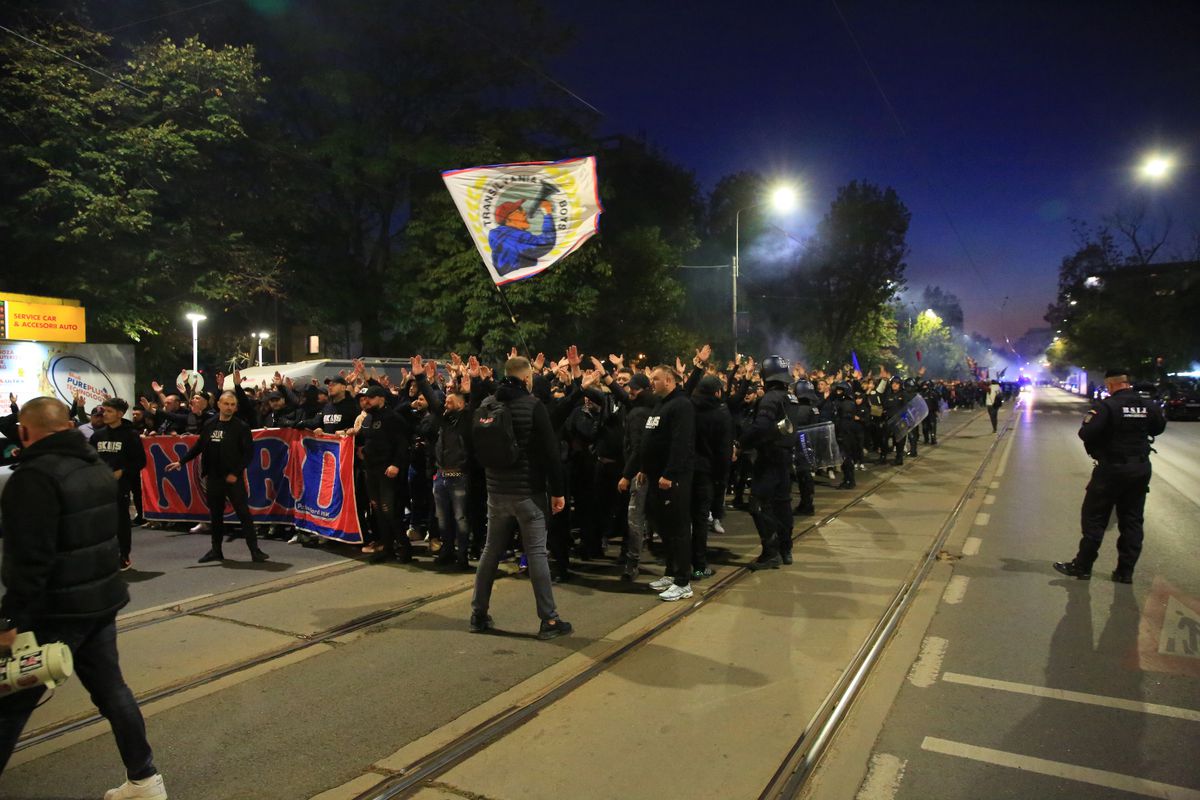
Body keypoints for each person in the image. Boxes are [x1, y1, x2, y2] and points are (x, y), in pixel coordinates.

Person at [0, 397, 167, 798]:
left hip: (56, 609)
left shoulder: (34, 476)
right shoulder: (94, 465)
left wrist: (9, 620)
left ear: (25, 431)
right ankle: (145, 780)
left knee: (10, 705)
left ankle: (145, 780)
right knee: (113, 692)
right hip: (100, 602)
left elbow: (30, 558)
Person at [470, 356, 572, 638]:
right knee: (537, 553)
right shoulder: (533, 405)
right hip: (528, 491)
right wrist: (558, 492)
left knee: (490, 551)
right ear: (527, 378)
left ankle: (478, 613)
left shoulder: (487, 404)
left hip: (496, 491)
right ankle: (549, 621)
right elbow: (552, 453)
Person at [1054, 368, 1166, 583]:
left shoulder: (1108, 406)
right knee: (1132, 520)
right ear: (1127, 383)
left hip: (1112, 470)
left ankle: (1083, 566)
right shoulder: (1146, 405)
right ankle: (1125, 572)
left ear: (1111, 385)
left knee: (1094, 518)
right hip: (1140, 468)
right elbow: (1158, 428)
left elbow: (1085, 433)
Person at [166, 391, 269, 564]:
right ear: (219, 404)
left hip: (232, 479)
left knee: (244, 514)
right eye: (226, 404)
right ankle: (216, 550)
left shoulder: (241, 427)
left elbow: (248, 454)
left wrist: (235, 474)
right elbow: (199, 445)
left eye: (232, 405)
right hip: (213, 477)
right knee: (215, 516)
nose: (229, 407)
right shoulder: (210, 424)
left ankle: (255, 551)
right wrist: (181, 462)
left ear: (235, 408)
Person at [738, 355, 800, 569]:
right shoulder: (791, 397)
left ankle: (770, 552)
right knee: (782, 504)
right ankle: (786, 549)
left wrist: (741, 442)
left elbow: (761, 427)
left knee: (758, 504)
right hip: (786, 458)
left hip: (769, 457)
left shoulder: (770, 399)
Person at [641, 365, 697, 600]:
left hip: (673, 479)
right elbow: (652, 439)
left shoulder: (681, 405)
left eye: (655, 379)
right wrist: (645, 469)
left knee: (678, 528)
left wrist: (670, 473)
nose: (651, 382)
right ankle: (671, 572)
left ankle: (683, 580)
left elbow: (681, 442)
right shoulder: (660, 404)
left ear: (669, 380)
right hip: (655, 477)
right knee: (662, 526)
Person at [357, 385, 415, 564]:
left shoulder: (393, 418)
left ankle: (404, 548)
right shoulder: (368, 418)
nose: (367, 401)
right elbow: (366, 439)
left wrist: (396, 464)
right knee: (378, 510)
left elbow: (402, 443)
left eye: (371, 398)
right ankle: (387, 548)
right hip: (372, 470)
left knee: (389, 510)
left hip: (387, 469)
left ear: (381, 398)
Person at [90, 398, 146, 571]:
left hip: (120, 486)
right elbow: (89, 457)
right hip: (100, 486)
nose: (104, 414)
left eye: (109, 411)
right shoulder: (97, 435)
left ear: (120, 414)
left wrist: (122, 471)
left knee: (121, 522)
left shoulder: (130, 435)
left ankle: (124, 555)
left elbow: (140, 461)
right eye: (104, 411)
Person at [488, 199, 556, 276]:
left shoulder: (502, 237)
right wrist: (547, 213)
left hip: (512, 283)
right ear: (508, 220)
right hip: (523, 283)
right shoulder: (515, 237)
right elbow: (546, 243)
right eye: (519, 210)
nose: (524, 213)